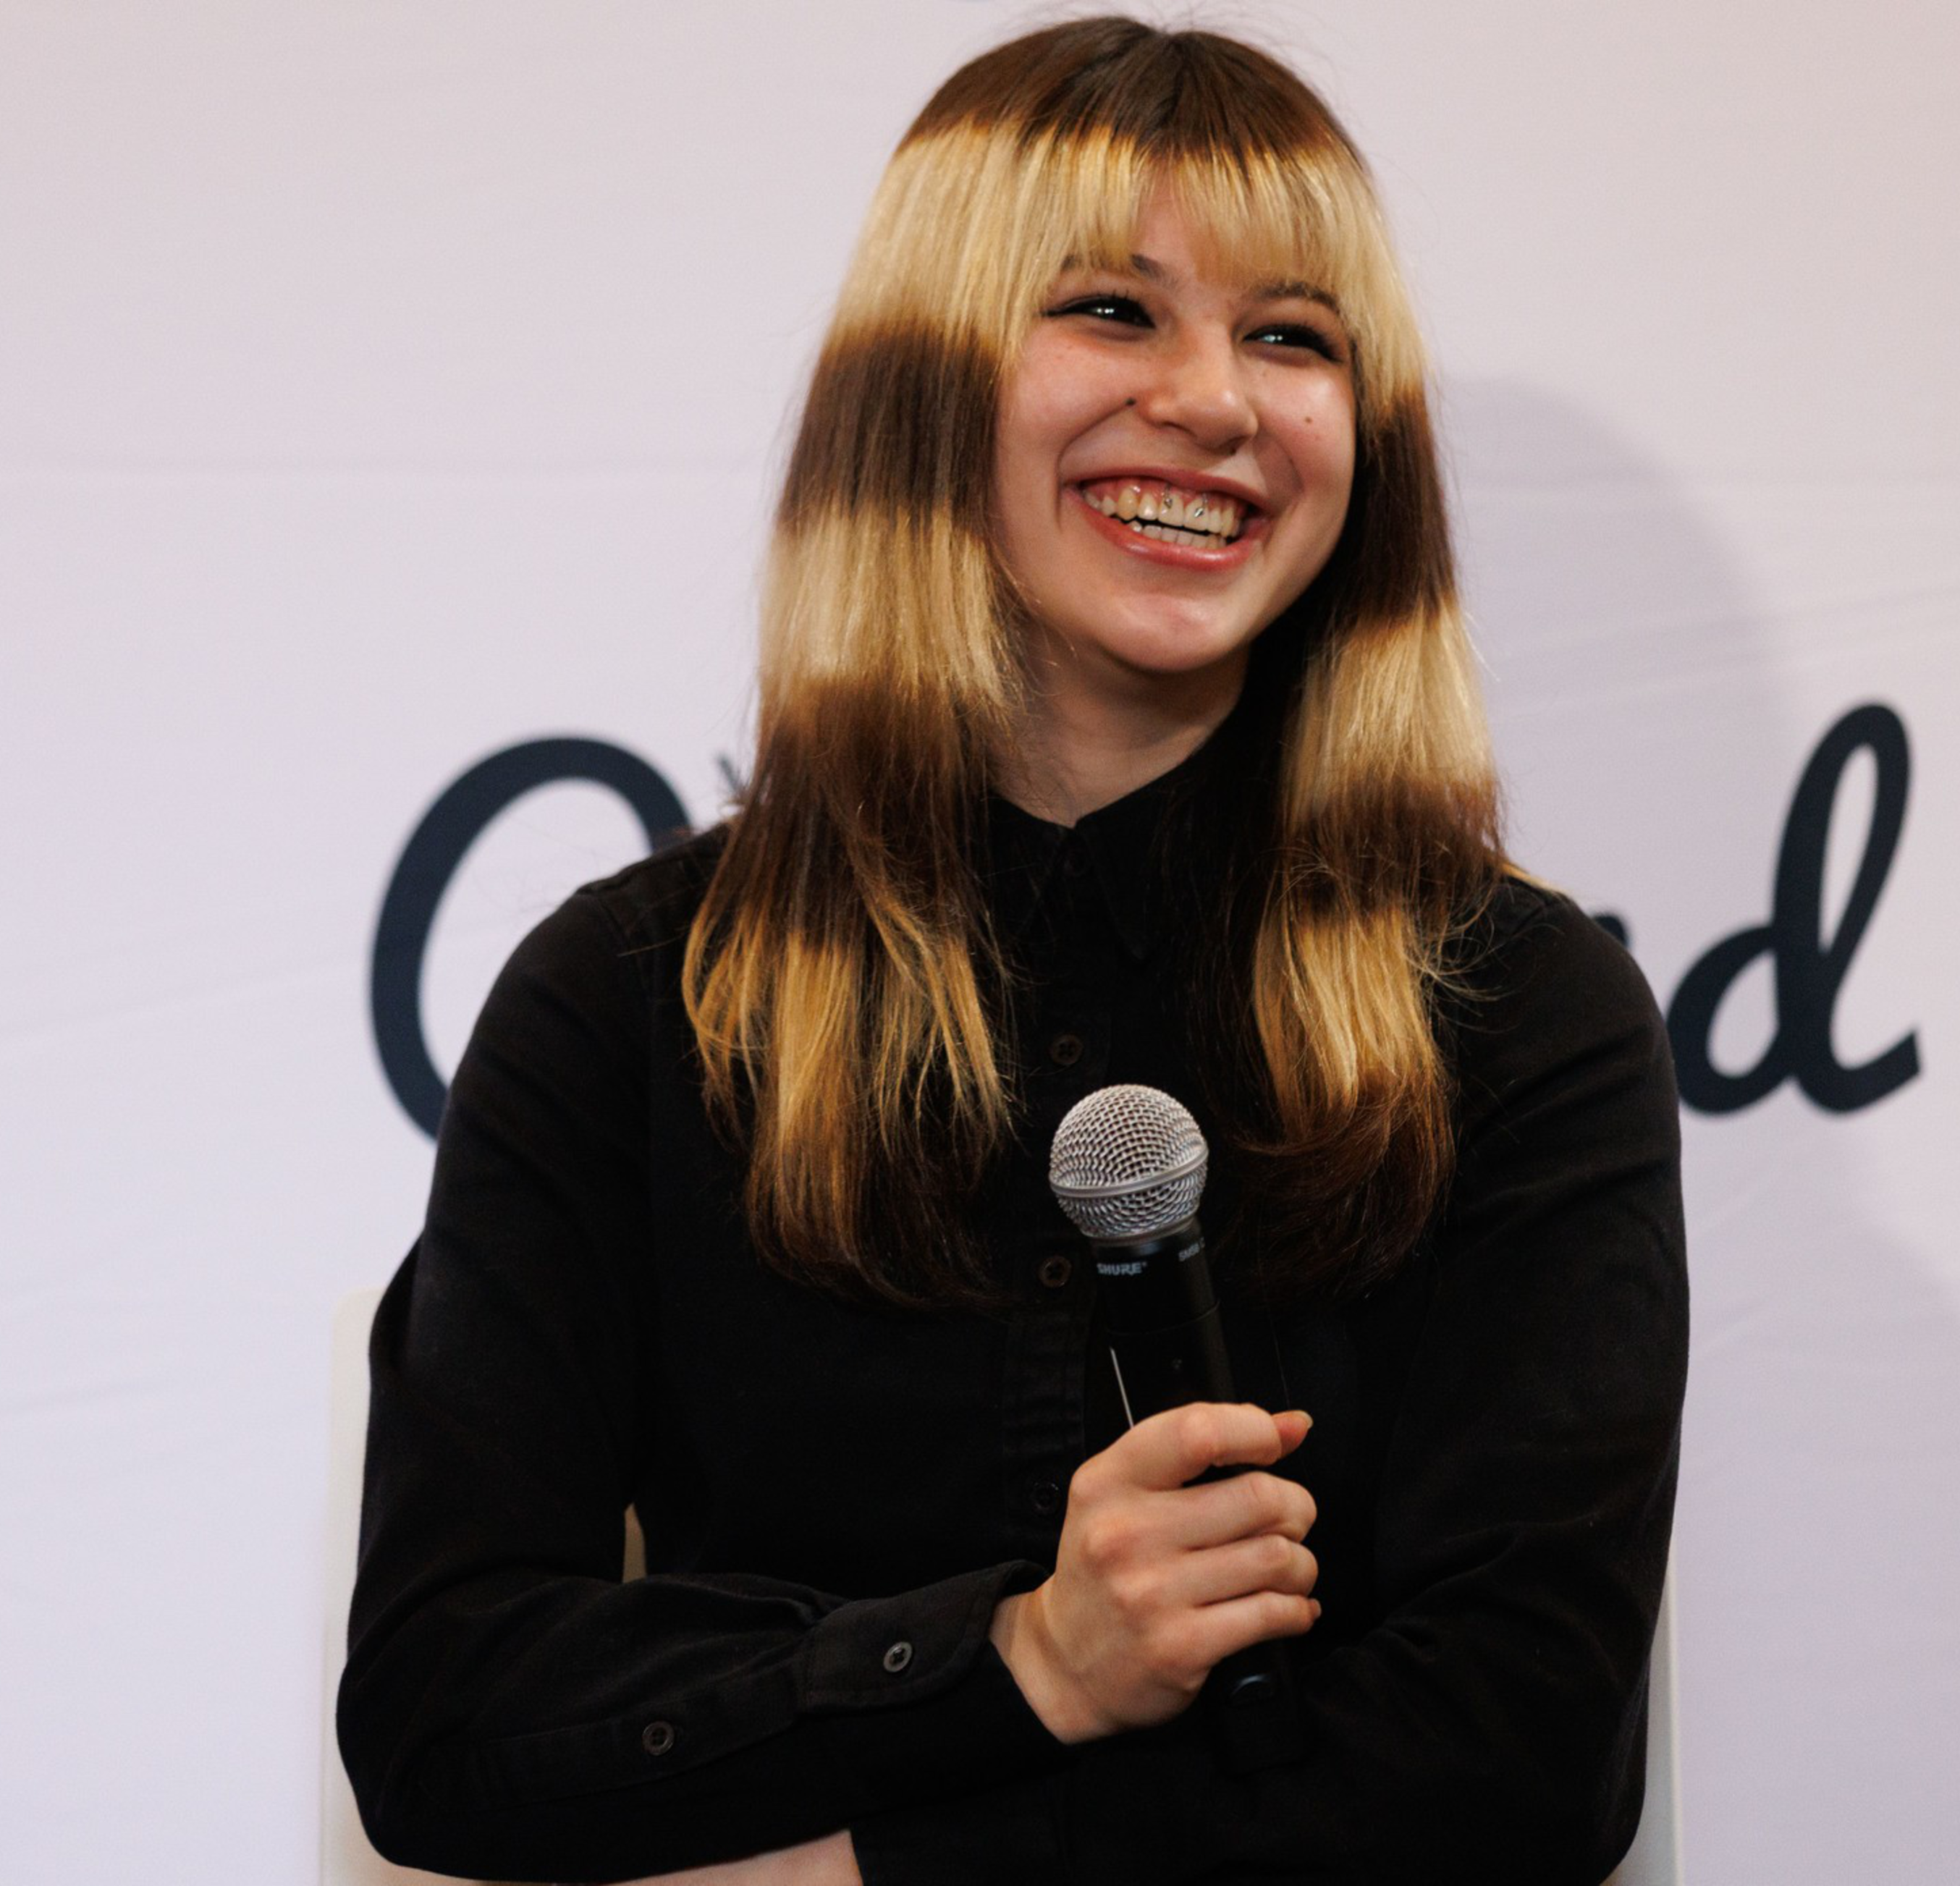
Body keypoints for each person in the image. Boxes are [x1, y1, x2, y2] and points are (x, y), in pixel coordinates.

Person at [338, 19, 1687, 1884]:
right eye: (1116, 313)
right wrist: (1027, 1660)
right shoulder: (633, 1000)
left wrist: (852, 1860)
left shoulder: (1519, 1012)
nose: (1217, 401)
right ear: (927, 382)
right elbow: (450, 1714)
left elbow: (1520, 1761)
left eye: (1293, 335)